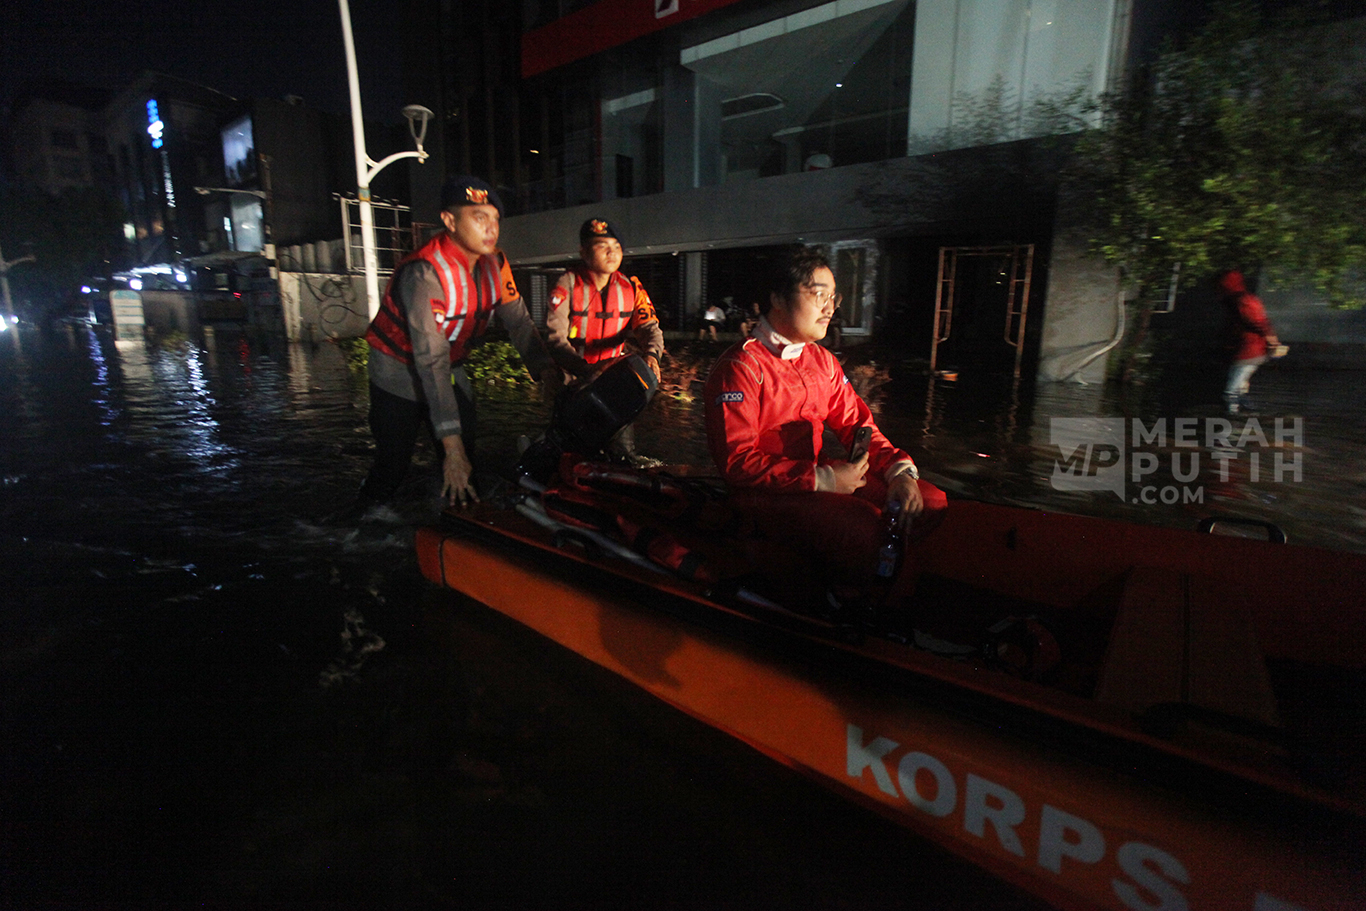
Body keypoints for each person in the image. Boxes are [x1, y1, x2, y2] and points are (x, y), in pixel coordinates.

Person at [703, 245, 946, 608]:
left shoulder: (822, 361)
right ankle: (838, 596)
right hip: (767, 497)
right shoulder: (741, 368)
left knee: (929, 501)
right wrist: (824, 481)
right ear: (778, 298)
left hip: (820, 479)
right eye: (818, 295)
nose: (830, 307)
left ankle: (863, 580)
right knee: (864, 528)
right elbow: (738, 463)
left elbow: (857, 424)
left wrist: (898, 473)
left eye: (833, 297)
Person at [354, 175, 558, 512]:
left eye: (495, 218)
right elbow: (430, 360)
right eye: (479, 217)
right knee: (395, 463)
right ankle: (360, 518)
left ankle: (460, 516)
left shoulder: (496, 264)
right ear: (449, 221)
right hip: (397, 373)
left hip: (450, 367)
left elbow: (519, 322)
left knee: (468, 454)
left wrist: (546, 372)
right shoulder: (424, 274)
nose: (491, 228)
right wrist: (452, 449)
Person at [545, 217, 664, 460]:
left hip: (614, 384)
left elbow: (650, 328)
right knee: (568, 454)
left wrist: (652, 354)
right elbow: (555, 338)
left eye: (617, 247)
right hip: (573, 383)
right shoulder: (566, 284)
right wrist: (585, 370)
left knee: (623, 454)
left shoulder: (632, 287)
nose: (612, 253)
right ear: (584, 252)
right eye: (602, 246)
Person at [1219, 270, 1279, 415]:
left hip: (1247, 350)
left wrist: (1270, 337)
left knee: (1233, 386)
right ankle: (1240, 410)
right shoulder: (1244, 299)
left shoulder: (1242, 301)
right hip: (1250, 350)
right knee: (1239, 381)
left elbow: (1257, 322)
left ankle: (1232, 415)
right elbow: (1261, 322)